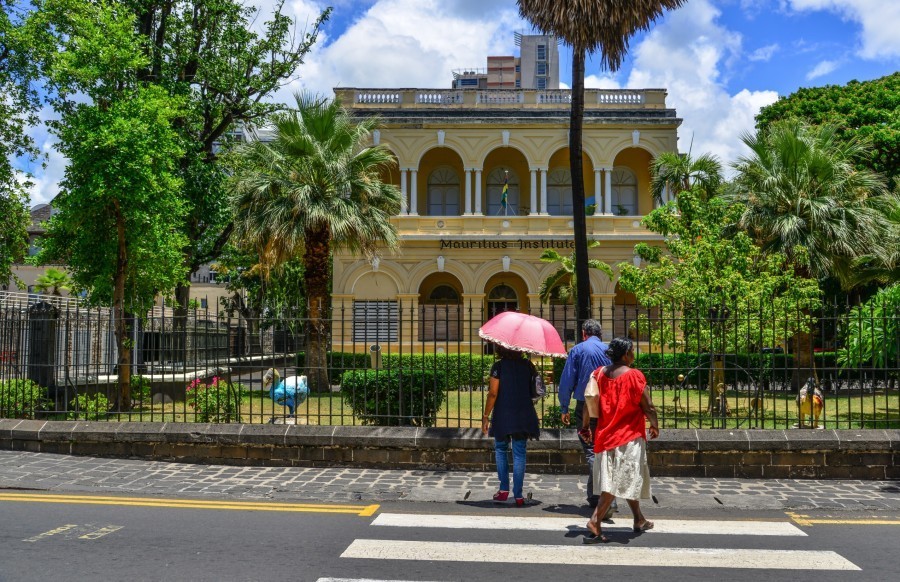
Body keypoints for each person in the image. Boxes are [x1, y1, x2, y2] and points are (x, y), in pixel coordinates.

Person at [582, 337, 660, 544]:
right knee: (618, 479)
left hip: (605, 435)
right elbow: (648, 406)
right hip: (628, 436)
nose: (634, 355)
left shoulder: (598, 374)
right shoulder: (634, 375)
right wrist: (654, 424)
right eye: (632, 351)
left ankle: (639, 519)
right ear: (626, 354)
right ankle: (595, 520)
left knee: (627, 477)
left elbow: (588, 401)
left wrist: (585, 427)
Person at [557, 319, 611, 509]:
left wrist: (564, 407)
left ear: (583, 333)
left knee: (591, 451)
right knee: (602, 449)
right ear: (599, 333)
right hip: (607, 406)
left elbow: (567, 381)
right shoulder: (609, 350)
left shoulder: (578, 350)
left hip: (585, 405)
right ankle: (595, 498)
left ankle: (603, 498)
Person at [481, 343, 541, 507]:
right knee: (519, 452)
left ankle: (503, 490)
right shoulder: (528, 365)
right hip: (523, 413)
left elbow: (493, 393)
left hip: (503, 413)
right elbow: (535, 389)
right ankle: (519, 494)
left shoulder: (498, 367)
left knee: (501, 449)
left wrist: (486, 416)